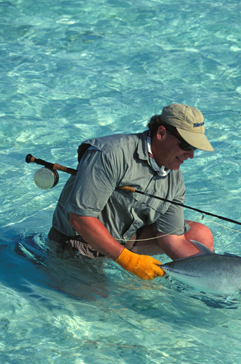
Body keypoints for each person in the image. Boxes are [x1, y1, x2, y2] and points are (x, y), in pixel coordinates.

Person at [48, 103, 215, 280]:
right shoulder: (109, 154)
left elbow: (172, 238)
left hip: (127, 238)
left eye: (194, 148)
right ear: (161, 133)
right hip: (78, 244)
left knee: (199, 235)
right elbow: (80, 219)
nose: (191, 155)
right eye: (186, 145)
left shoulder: (174, 177)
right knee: (100, 306)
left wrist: (214, 276)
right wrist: (128, 261)